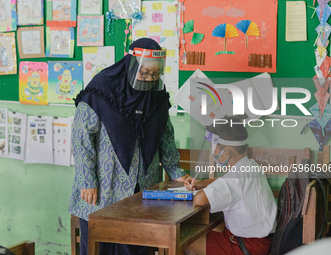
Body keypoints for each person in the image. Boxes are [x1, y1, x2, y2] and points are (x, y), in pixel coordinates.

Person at [68, 38, 189, 255]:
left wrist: (176, 171)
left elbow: (166, 134)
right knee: (99, 247)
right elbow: (81, 138)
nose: (149, 78)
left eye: (155, 74)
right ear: (131, 64)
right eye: (144, 72)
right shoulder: (102, 88)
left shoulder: (157, 94)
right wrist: (87, 180)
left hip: (142, 189)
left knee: (137, 246)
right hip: (103, 189)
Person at [184, 116, 277, 255]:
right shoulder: (250, 165)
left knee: (184, 240)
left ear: (226, 153)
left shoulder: (234, 179)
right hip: (261, 239)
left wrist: (201, 190)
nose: (213, 154)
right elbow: (225, 179)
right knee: (210, 226)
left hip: (247, 245)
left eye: (213, 149)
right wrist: (200, 183)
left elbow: (199, 199)